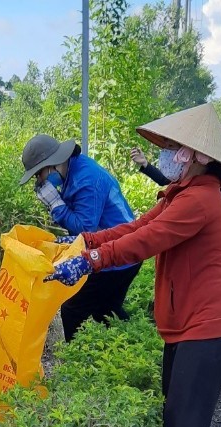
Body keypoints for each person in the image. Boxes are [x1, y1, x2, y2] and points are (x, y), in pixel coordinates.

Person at [46, 103, 221, 427]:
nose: (168, 153)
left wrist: (91, 260)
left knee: (182, 426)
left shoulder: (201, 201)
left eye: (176, 147)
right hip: (189, 325)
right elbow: (132, 229)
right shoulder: (181, 195)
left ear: (201, 156)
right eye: (170, 145)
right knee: (184, 417)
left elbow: (147, 242)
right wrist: (84, 240)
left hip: (207, 329)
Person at [19, 135, 139, 341]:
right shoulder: (73, 171)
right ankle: (133, 346)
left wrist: (56, 206)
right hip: (119, 248)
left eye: (39, 174)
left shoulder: (87, 180)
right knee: (106, 309)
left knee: (72, 309)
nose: (40, 180)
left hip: (120, 254)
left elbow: (84, 229)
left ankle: (75, 363)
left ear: (52, 165)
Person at [131, 146, 221, 200]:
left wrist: (210, 186)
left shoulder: (220, 168)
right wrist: (145, 163)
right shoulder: (183, 177)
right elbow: (164, 179)